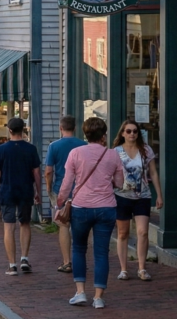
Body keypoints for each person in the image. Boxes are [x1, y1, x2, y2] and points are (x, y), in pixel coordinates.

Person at [56, 117, 125, 308]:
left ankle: (80, 292)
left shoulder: (76, 153)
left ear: (85, 134)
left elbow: (67, 183)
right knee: (101, 252)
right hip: (106, 207)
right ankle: (99, 297)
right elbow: (119, 183)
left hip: (81, 207)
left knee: (79, 248)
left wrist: (60, 203)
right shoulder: (112, 155)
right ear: (103, 135)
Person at [0, 117, 42, 276]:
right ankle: (24, 258)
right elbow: (36, 172)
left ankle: (12, 265)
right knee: (25, 224)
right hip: (26, 189)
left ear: (10, 130)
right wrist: (38, 191)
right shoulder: (31, 149)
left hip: (7, 190)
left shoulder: (1, 149)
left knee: (8, 226)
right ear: (23, 129)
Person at [112, 119, 162, 281]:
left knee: (143, 232)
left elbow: (153, 173)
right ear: (122, 133)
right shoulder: (116, 152)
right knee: (123, 233)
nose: (132, 134)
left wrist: (159, 195)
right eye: (128, 131)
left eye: (135, 131)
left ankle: (142, 268)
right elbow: (110, 174)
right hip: (122, 196)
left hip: (143, 196)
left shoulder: (145, 150)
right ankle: (124, 269)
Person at [44, 115, 84, 272]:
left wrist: (49, 188)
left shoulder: (54, 146)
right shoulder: (83, 145)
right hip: (80, 190)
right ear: (75, 128)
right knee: (80, 226)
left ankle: (67, 261)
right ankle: (80, 259)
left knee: (63, 225)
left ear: (61, 128)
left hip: (61, 190)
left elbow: (48, 171)